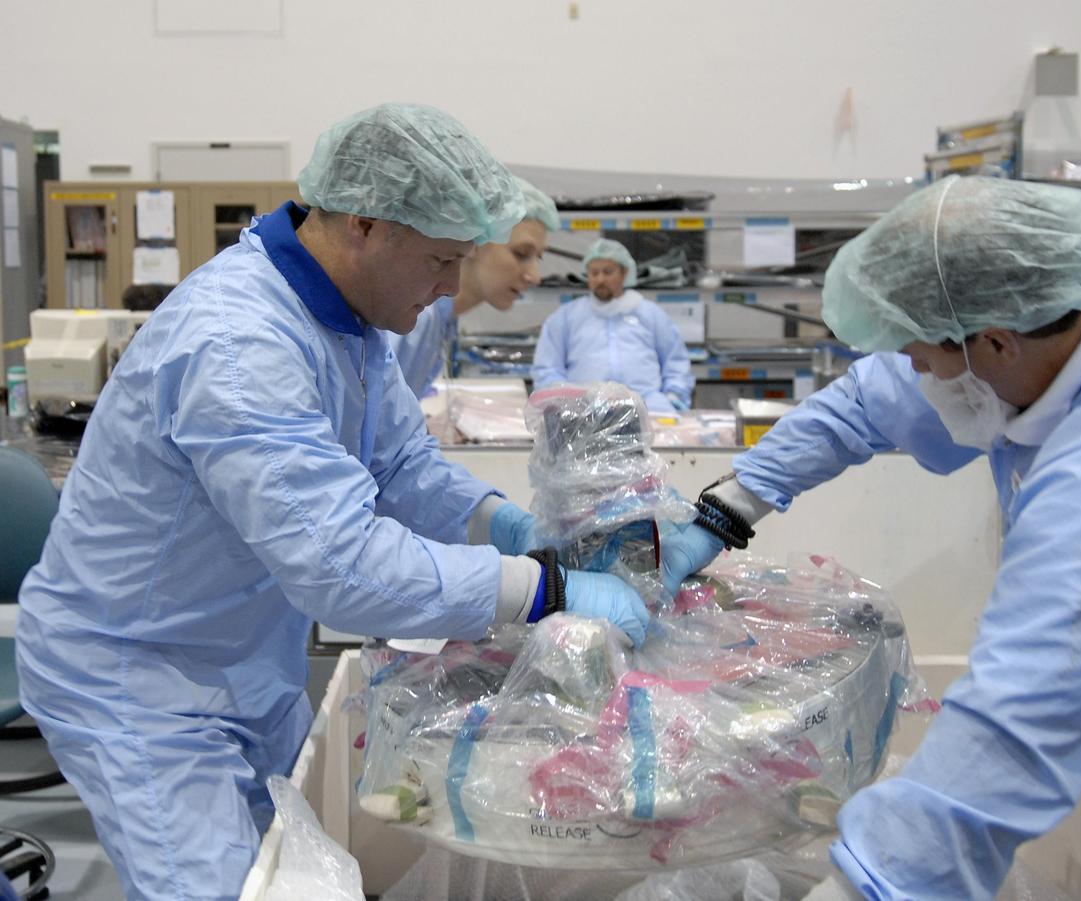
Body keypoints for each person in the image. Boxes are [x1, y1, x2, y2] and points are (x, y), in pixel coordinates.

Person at [15, 104, 647, 901]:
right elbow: (341, 565)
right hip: (138, 675)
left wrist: (513, 528)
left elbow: (403, 467)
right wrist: (541, 586)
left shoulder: (347, 323)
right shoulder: (240, 343)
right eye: (439, 260)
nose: (449, 287)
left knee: (291, 867)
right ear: (365, 224)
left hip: (241, 656)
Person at [661, 176, 1081, 899]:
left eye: (921, 356)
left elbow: (1014, 731)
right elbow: (869, 401)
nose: (915, 374)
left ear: (994, 342)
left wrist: (869, 884)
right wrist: (725, 511)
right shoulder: (1059, 331)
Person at [387, 176, 559, 397]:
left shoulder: (441, 320)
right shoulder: (416, 319)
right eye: (522, 253)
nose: (534, 276)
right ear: (474, 241)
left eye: (539, 258)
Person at [532, 237, 694, 412]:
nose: (600, 279)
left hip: (648, 406)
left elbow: (675, 362)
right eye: (594, 273)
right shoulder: (566, 317)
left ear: (624, 273)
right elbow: (547, 367)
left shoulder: (651, 314)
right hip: (584, 409)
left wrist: (674, 396)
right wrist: (562, 402)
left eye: (608, 272)